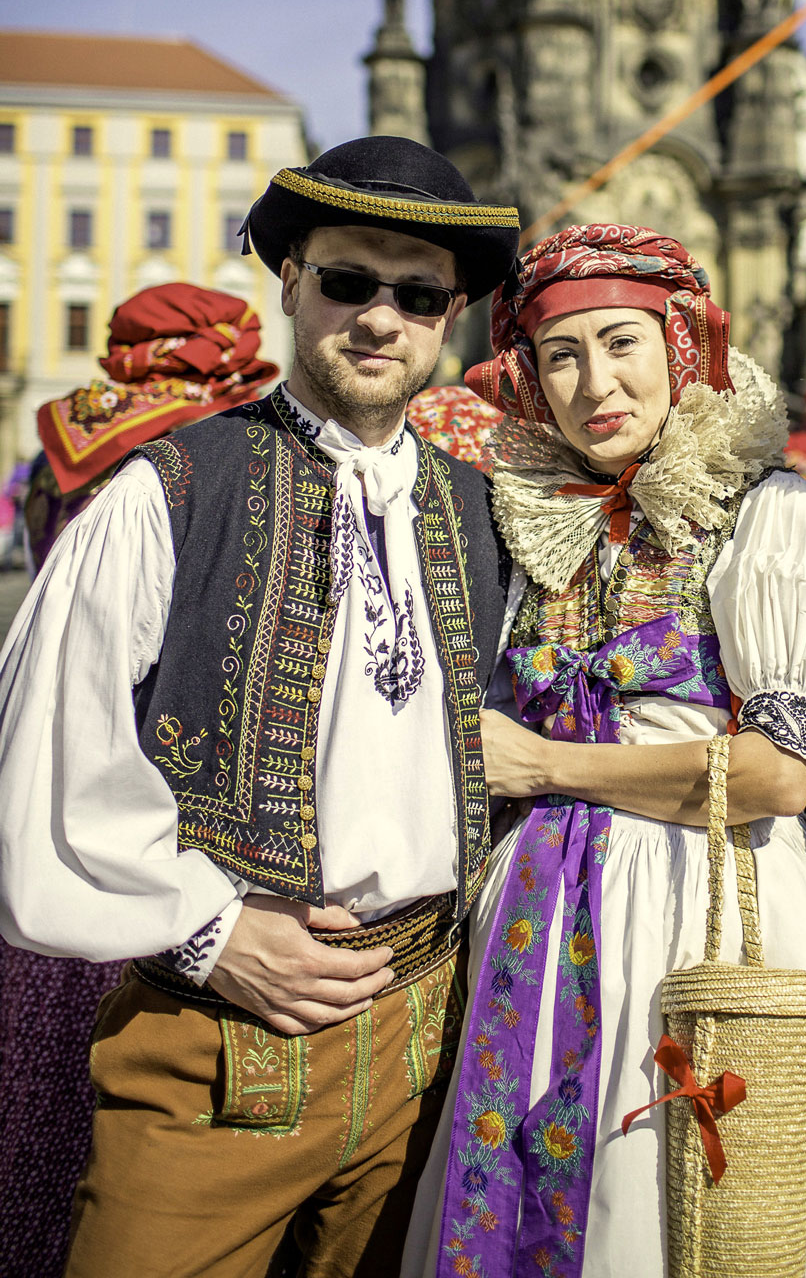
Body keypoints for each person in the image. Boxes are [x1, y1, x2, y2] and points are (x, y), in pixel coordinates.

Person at [0, 138, 520, 1278]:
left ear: (455, 316)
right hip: (224, 1047)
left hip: (428, 1042)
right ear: (289, 282)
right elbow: (46, 749)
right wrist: (210, 933)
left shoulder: (485, 513)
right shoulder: (170, 490)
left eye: (419, 293)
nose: (381, 318)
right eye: (348, 281)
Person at [401, 224, 806, 1278]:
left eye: (621, 342)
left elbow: (775, 777)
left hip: (695, 910)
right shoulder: (531, 522)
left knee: (673, 1218)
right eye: (561, 355)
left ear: (677, 345)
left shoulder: (771, 513)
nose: (594, 382)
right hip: (530, 911)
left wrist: (547, 768)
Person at [0, 283, 280, 1278]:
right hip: (165, 786)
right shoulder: (208, 443)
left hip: (61, 739)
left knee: (40, 1055)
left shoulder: (56, 442)